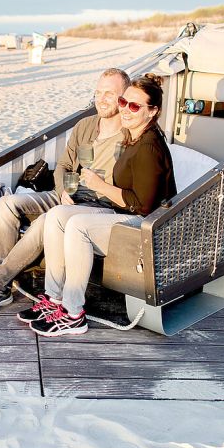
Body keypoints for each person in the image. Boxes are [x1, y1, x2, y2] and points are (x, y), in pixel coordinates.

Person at [0, 68, 131, 315]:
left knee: (47, 221)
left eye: (109, 94)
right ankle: (2, 289)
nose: (101, 99)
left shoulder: (130, 135)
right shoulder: (86, 126)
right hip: (67, 195)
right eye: (98, 92)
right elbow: (65, 165)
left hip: (95, 206)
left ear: (124, 97)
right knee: (7, 204)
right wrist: (63, 190)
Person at [20, 74, 176, 336]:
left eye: (135, 106)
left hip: (146, 224)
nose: (126, 109)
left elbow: (144, 204)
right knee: (58, 215)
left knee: (78, 225)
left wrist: (99, 185)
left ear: (153, 111)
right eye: (125, 102)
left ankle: (73, 313)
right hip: (123, 213)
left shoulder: (149, 146)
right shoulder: (133, 136)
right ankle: (54, 298)